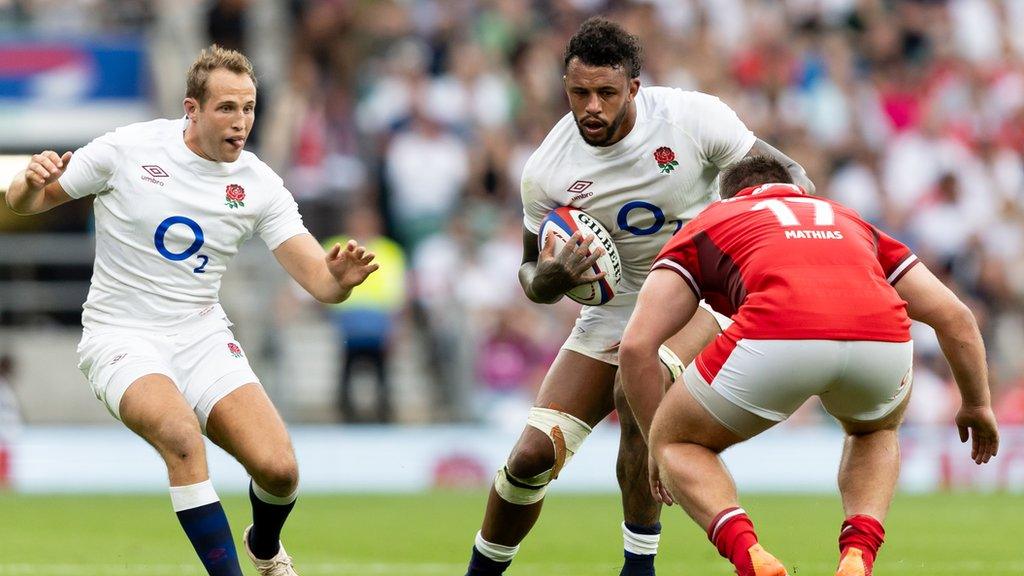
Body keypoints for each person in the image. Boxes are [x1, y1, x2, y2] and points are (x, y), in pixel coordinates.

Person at [4, 45, 379, 576]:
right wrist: (27, 181)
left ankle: (266, 548)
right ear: (192, 109)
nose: (241, 122)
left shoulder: (259, 184)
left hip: (201, 334)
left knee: (279, 471)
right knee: (181, 436)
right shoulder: (128, 149)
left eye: (249, 108)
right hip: (121, 336)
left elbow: (318, 278)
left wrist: (339, 282)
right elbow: (31, 202)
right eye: (227, 108)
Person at [464, 17, 814, 576]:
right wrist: (555, 278)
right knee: (530, 458)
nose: (592, 108)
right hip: (614, 307)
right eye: (579, 93)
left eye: (606, 92)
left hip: (701, 293)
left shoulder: (692, 119)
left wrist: (764, 236)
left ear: (634, 87)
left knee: (634, 386)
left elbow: (789, 175)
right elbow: (530, 276)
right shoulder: (547, 170)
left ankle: (638, 568)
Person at [619, 156, 1000, 576]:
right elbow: (957, 318)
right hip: (882, 338)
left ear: (729, 196)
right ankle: (857, 554)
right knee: (875, 429)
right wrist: (977, 405)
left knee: (677, 442)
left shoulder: (714, 219)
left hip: (777, 333)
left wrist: (656, 443)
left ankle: (751, 556)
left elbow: (637, 346)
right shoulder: (849, 219)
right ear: (798, 190)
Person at [322, 205, 406, 423]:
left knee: (380, 367)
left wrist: (395, 325)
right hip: (346, 317)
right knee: (348, 364)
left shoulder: (389, 251)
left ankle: (383, 410)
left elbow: (397, 293)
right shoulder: (335, 247)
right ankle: (346, 410)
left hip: (378, 319)